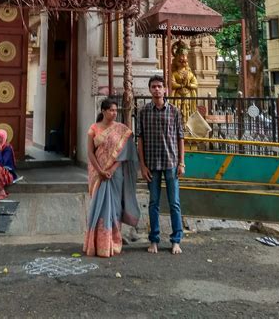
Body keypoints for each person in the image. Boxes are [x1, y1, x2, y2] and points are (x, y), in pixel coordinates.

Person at [83, 98, 140, 258]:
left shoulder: (121, 130)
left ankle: (113, 242)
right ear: (103, 111)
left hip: (115, 175)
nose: (114, 113)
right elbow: (89, 153)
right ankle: (97, 244)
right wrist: (100, 171)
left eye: (116, 110)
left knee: (114, 207)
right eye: (111, 110)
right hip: (98, 174)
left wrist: (111, 169)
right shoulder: (93, 129)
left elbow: (124, 154)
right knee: (98, 207)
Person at [137, 75, 185, 255]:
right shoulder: (143, 112)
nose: (157, 89)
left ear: (165, 89)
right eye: (153, 87)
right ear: (150, 90)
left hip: (171, 162)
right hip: (152, 164)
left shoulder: (174, 111)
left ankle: (176, 240)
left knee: (174, 203)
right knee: (153, 203)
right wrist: (142, 165)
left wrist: (182, 162)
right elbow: (139, 139)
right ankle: (154, 239)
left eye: (159, 86)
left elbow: (181, 138)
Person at [171, 40, 198, 122]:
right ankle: (178, 124)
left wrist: (189, 85)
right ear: (176, 61)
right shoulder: (175, 73)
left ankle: (187, 125)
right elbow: (172, 84)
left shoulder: (190, 73)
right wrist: (181, 85)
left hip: (188, 94)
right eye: (180, 61)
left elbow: (195, 84)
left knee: (187, 109)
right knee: (178, 108)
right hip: (178, 94)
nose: (183, 62)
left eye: (185, 61)